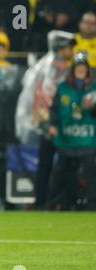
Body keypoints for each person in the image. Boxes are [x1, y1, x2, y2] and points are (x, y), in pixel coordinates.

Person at [15, 30, 75, 209]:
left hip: (63, 124)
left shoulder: (59, 66)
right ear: (61, 47)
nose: (71, 50)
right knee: (50, 165)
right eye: (69, 47)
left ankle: (56, 200)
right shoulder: (50, 68)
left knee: (60, 165)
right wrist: (47, 125)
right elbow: (40, 99)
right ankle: (46, 200)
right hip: (52, 126)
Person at [47, 53, 96, 210]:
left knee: (89, 172)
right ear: (73, 69)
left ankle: (91, 205)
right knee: (62, 171)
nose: (81, 70)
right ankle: (57, 203)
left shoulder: (93, 89)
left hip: (86, 138)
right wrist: (52, 125)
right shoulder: (63, 88)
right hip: (66, 136)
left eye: (83, 68)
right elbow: (54, 109)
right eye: (78, 67)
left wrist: (92, 107)